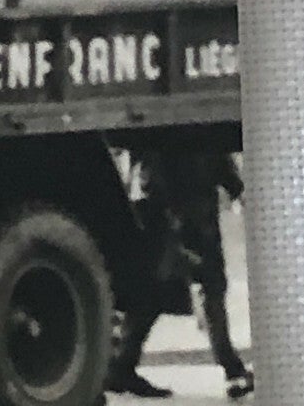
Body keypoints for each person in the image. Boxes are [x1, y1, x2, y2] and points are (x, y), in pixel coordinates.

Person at [108, 145, 254, 400]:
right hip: (178, 209)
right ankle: (232, 370)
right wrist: (235, 188)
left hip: (172, 206)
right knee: (197, 288)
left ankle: (122, 365)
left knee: (160, 290)